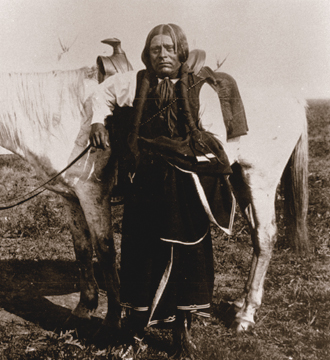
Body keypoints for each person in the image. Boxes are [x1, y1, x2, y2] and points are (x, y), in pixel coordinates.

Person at [89, 23, 241, 358]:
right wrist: (98, 121)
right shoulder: (135, 82)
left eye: (170, 48)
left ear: (181, 51)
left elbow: (213, 139)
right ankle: (135, 330)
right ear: (148, 53)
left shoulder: (200, 88)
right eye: (156, 49)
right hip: (145, 185)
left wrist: (181, 154)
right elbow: (100, 93)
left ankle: (181, 332)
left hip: (185, 186)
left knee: (187, 256)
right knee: (140, 255)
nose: (163, 55)